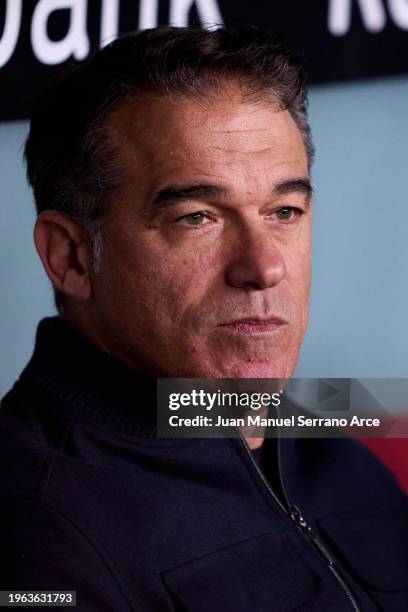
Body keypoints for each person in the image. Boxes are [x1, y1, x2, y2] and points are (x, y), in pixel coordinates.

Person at [0, 26, 407, 611]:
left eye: (285, 211)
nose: (264, 267)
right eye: (197, 218)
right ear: (70, 257)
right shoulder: (36, 529)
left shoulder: (322, 428)